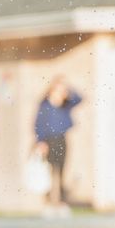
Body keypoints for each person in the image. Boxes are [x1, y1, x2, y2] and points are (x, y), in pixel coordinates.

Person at [34, 77, 83, 215]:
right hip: (48, 140)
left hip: (61, 139)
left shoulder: (65, 104)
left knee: (61, 171)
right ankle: (48, 202)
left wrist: (68, 90)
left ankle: (60, 201)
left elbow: (80, 99)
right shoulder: (45, 105)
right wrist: (40, 141)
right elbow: (39, 123)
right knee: (48, 172)